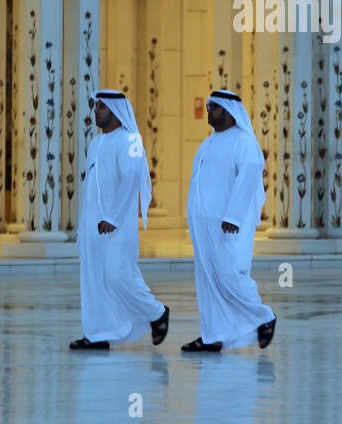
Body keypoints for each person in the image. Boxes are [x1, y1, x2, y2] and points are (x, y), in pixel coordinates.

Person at [69, 90, 169, 351]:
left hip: (116, 226)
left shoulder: (130, 140)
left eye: (101, 107)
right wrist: (84, 227)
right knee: (93, 279)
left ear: (114, 111)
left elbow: (131, 180)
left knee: (118, 276)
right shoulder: (96, 144)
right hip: (92, 226)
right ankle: (97, 334)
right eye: (96, 107)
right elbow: (93, 189)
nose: (96, 111)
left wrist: (112, 217)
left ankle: (157, 312)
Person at [183, 91, 276, 352]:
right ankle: (212, 335)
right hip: (203, 225)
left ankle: (264, 317)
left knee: (229, 275)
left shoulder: (243, 142)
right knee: (207, 280)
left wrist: (233, 216)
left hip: (228, 225)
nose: (208, 111)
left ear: (227, 111)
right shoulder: (209, 143)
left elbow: (249, 177)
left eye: (213, 107)